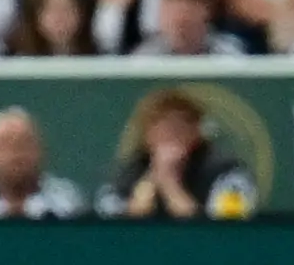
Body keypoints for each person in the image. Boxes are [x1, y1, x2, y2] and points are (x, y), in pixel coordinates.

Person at [102, 86, 258, 218]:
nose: (171, 132)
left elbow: (224, 231)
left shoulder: (227, 172)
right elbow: (114, 229)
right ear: (146, 134)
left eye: (180, 125)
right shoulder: (130, 172)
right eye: (161, 125)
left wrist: (170, 185)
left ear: (197, 130)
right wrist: (151, 181)